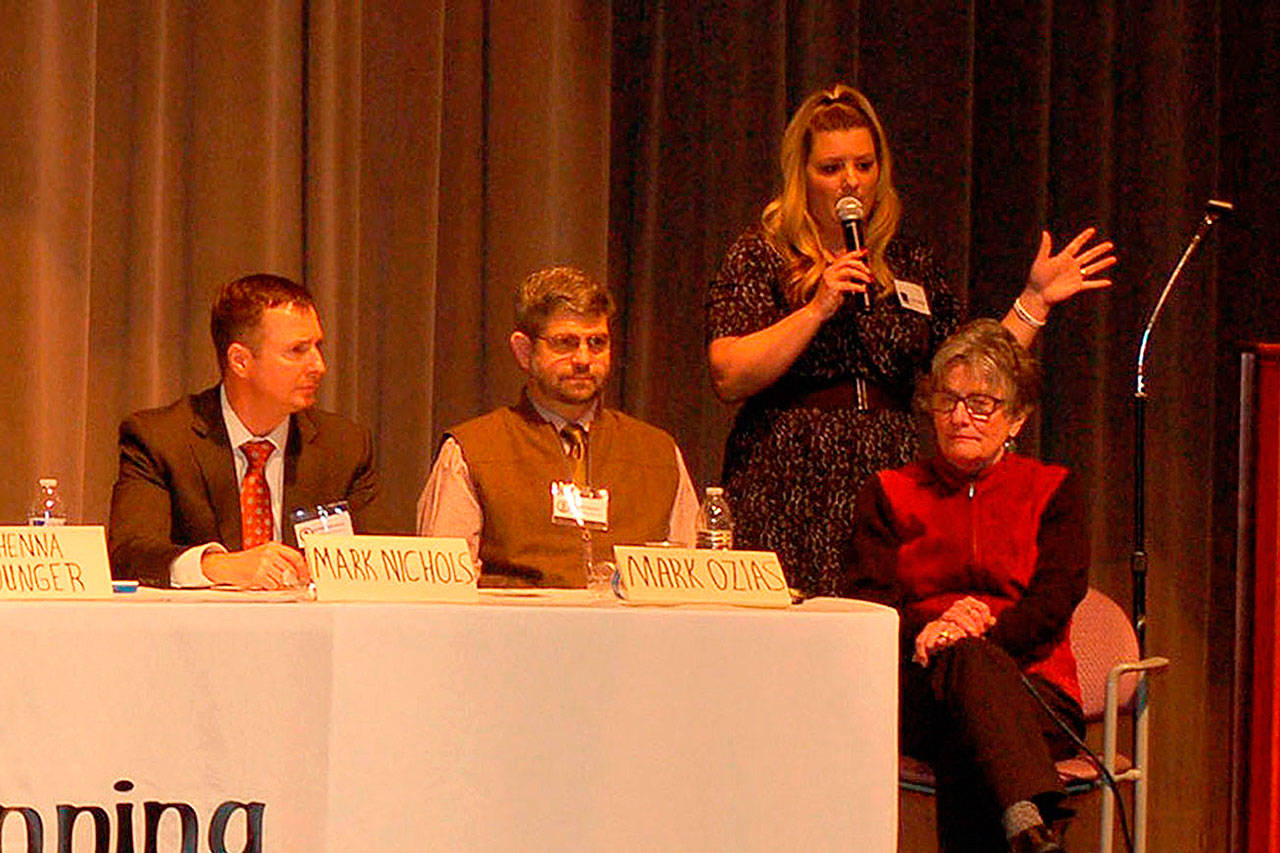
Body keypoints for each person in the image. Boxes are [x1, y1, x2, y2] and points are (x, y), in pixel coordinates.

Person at [705, 84, 1115, 597]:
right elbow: (728, 373)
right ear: (801, 176)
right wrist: (818, 308)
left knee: (875, 632)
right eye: (831, 169)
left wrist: (1034, 302)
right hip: (785, 470)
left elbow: (969, 367)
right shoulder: (761, 253)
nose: (850, 182)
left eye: (864, 165)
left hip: (885, 470)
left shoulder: (910, 259)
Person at [848, 319, 1085, 853]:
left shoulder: (1054, 490)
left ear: (1017, 417)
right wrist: (934, 630)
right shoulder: (889, 492)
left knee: (970, 720)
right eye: (948, 400)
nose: (960, 417)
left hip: (1035, 692)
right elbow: (870, 601)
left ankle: (1026, 823)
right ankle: (1032, 824)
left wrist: (972, 635)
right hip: (920, 688)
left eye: (981, 403)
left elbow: (1054, 601)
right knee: (963, 682)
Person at [417, 265, 699, 587]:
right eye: (565, 343)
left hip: (633, 634)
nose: (583, 359)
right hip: (514, 634)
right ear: (524, 352)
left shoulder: (658, 452)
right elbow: (442, 588)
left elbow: (690, 581)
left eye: (597, 343)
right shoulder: (471, 451)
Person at [109, 273, 386, 589]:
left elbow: (380, 559)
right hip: (197, 632)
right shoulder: (160, 439)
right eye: (297, 350)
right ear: (240, 361)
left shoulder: (345, 446)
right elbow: (129, 553)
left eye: (317, 347)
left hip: (314, 632)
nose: (318, 365)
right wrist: (217, 565)